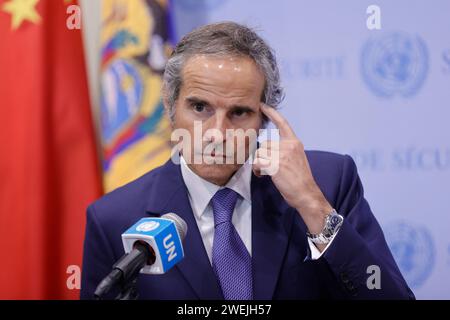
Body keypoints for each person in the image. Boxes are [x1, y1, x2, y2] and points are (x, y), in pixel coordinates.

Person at [81, 22, 414, 300]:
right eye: (199, 108)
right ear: (170, 105)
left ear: (265, 117)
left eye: (239, 112)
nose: (217, 132)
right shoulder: (115, 219)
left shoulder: (329, 181)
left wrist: (313, 206)